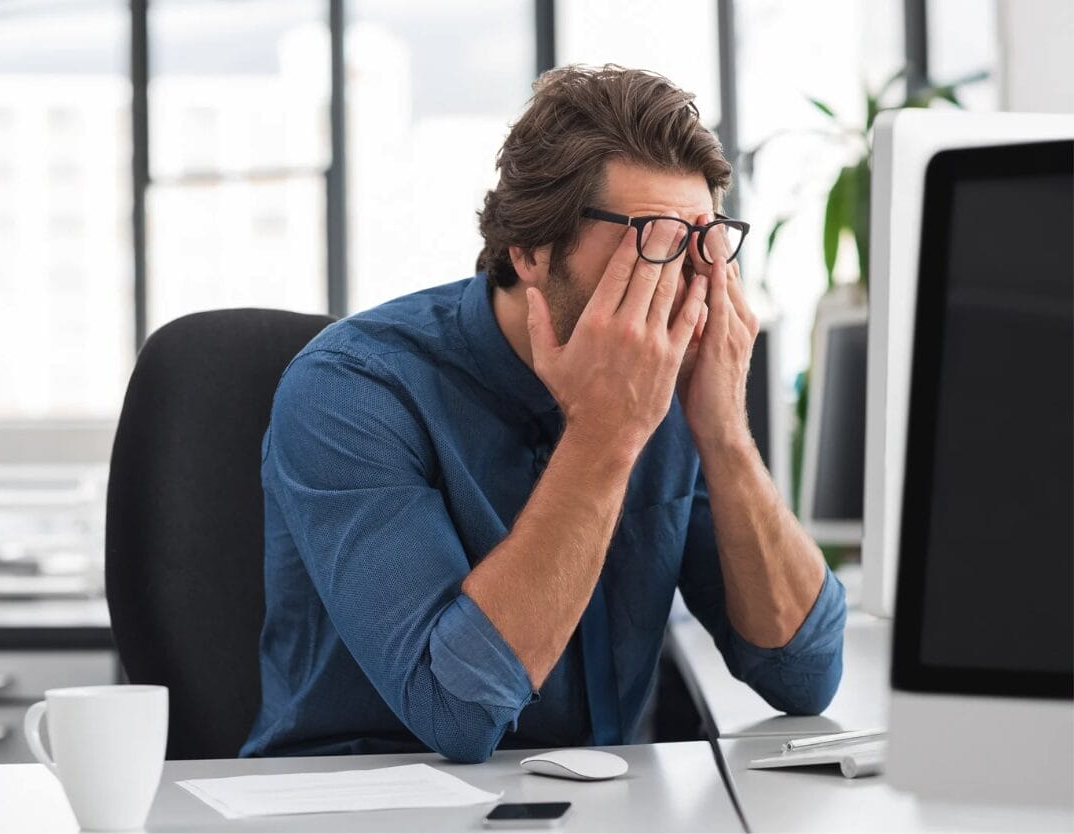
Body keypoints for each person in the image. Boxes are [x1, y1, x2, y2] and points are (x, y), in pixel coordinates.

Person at [240, 65, 846, 763]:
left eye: (703, 243)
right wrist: (605, 434)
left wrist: (724, 433)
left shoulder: (677, 383)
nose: (683, 283)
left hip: (602, 803)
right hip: (367, 801)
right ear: (530, 250)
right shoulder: (351, 390)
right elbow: (456, 713)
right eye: (654, 239)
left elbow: (804, 674)